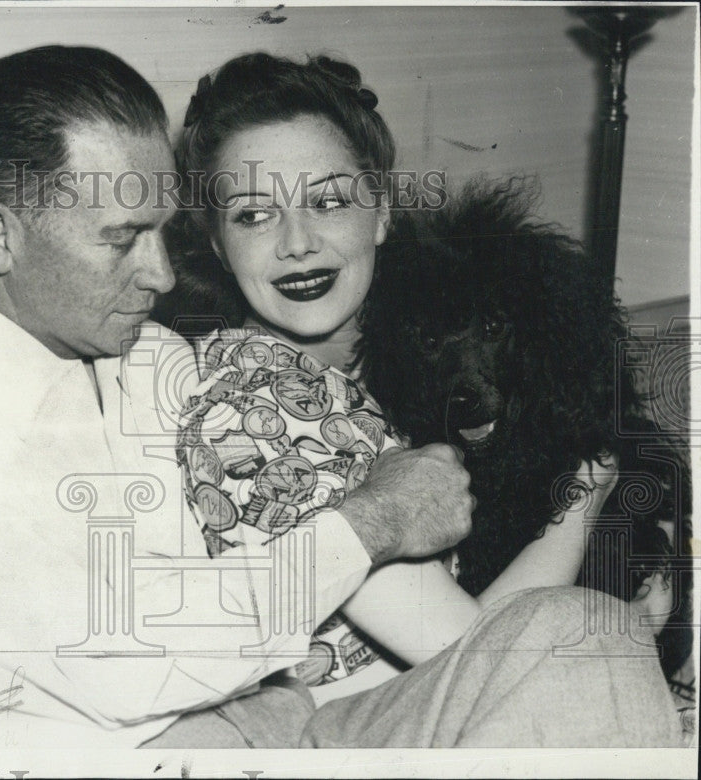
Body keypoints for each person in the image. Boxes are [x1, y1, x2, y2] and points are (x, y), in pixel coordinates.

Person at [0, 44, 680, 755]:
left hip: (282, 731)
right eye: (122, 238)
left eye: (166, 232)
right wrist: (368, 524)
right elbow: (113, 665)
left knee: (582, 632)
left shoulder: (150, 360)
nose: (161, 273)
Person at [151, 52, 684, 744]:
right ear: (218, 246)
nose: (297, 243)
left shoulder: (364, 373)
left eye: (328, 200)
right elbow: (474, 646)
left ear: (380, 214)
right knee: (593, 630)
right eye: (254, 216)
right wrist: (591, 492)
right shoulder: (253, 406)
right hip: (352, 730)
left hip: (448, 690)